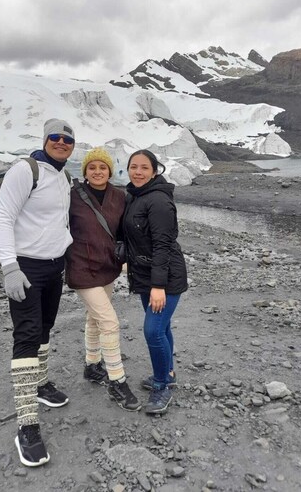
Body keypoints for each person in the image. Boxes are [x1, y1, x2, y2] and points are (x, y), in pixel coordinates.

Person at [0, 118, 75, 467]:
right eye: (55, 137)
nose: (61, 142)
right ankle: (27, 425)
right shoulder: (25, 170)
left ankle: (40, 384)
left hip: (54, 267)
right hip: (26, 268)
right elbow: (3, 218)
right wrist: (9, 267)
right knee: (26, 336)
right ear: (44, 140)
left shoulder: (64, 177)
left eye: (67, 139)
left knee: (44, 329)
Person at [65, 147, 141, 412]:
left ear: (110, 170)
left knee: (94, 318)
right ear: (85, 171)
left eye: (102, 167)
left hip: (108, 266)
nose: (97, 172)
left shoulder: (119, 196)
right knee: (109, 322)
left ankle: (91, 364)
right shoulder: (71, 196)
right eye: (92, 167)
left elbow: (126, 229)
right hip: (81, 268)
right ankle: (116, 380)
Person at [123, 149, 188, 415]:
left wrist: (158, 286)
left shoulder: (158, 201)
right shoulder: (135, 197)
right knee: (162, 327)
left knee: (153, 330)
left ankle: (162, 386)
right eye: (133, 167)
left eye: (144, 168)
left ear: (154, 171)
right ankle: (168, 373)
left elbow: (163, 244)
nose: (137, 172)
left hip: (165, 277)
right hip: (145, 275)